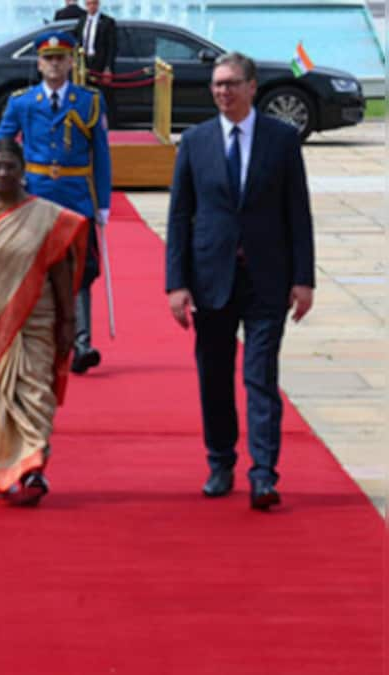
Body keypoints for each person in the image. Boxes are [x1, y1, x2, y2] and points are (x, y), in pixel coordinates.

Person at [165, 52, 314, 511]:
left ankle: (264, 474)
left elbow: (298, 214)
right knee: (214, 376)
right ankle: (220, 461)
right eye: (217, 85)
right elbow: (181, 216)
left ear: (252, 87)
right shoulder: (195, 142)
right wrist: (176, 283)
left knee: (261, 377)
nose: (222, 92)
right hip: (211, 278)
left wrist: (304, 279)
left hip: (267, 278)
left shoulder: (282, 141)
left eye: (231, 83)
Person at [0, 138, 88, 507]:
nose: (2, 173)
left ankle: (32, 468)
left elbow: (60, 268)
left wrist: (69, 322)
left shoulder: (44, 216)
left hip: (35, 320)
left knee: (36, 394)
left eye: (10, 167)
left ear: (23, 171)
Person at [0, 30, 110, 375]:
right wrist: (8, 186)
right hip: (37, 194)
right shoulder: (23, 102)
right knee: (35, 268)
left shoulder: (89, 101)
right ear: (39, 63)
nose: (55, 65)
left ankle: (81, 342)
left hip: (77, 196)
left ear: (71, 62)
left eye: (61, 58)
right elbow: (2, 145)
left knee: (81, 271)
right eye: (48, 59)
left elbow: (101, 154)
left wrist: (102, 202)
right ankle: (37, 339)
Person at [74, 0, 117, 123]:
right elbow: (76, 39)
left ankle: (108, 123)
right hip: (85, 63)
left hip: (100, 63)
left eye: (94, 3)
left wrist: (108, 68)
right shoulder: (82, 21)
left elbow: (111, 47)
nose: (91, 6)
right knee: (85, 94)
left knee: (103, 95)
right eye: (89, 4)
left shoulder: (107, 22)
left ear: (98, 4)